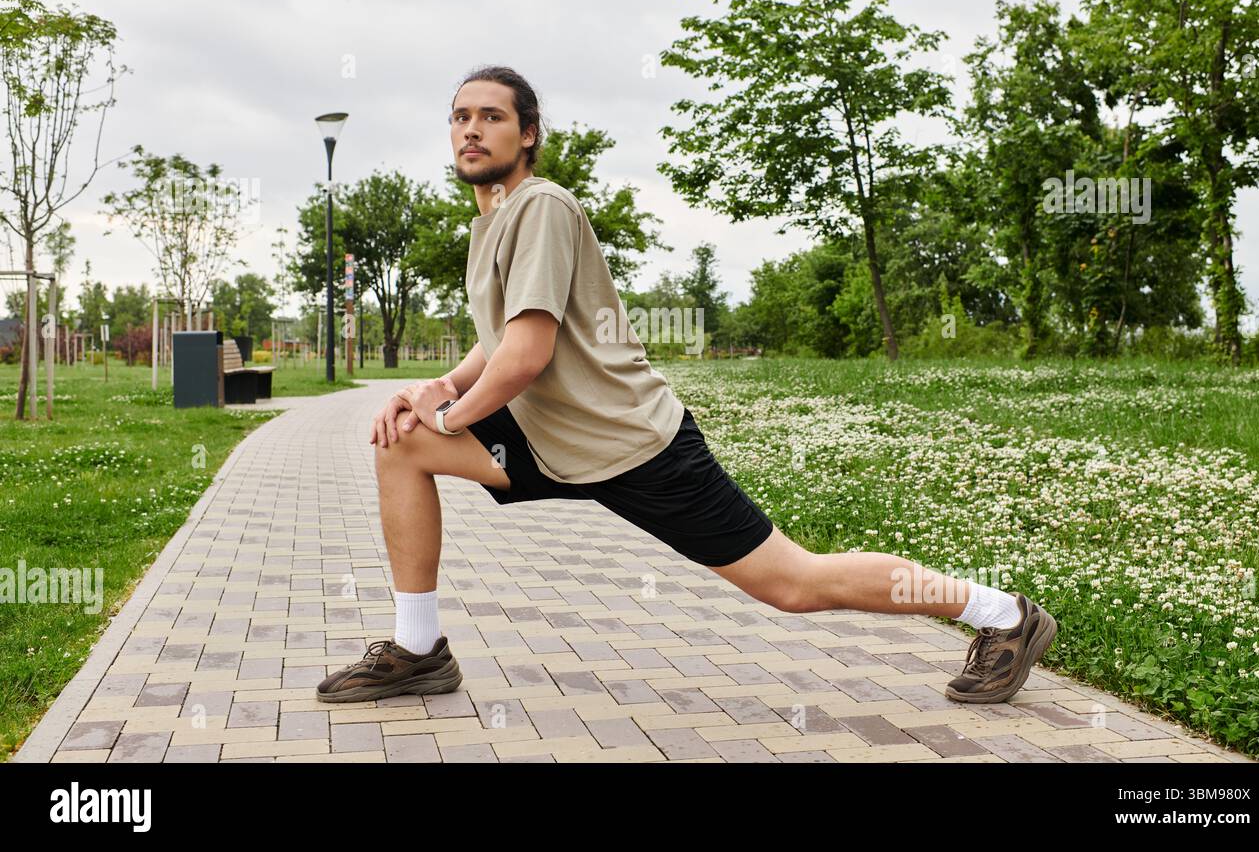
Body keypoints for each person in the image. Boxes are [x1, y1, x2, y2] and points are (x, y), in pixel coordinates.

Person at [315, 65, 1058, 706]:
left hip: (636, 446)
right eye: (460, 117)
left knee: (792, 584)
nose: (471, 129)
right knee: (400, 443)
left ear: (528, 134)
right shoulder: (491, 224)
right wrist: (436, 388)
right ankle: (420, 653)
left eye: (492, 117)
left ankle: (1002, 615)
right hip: (555, 442)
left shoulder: (539, 206)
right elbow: (496, 344)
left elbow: (527, 356)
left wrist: (449, 419)